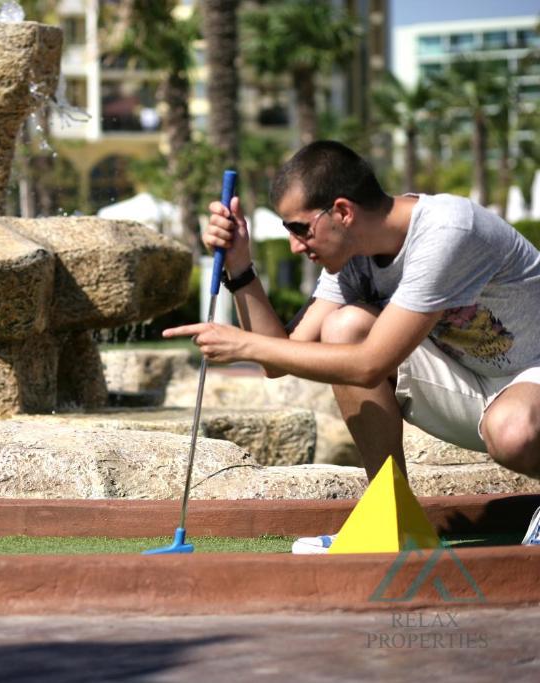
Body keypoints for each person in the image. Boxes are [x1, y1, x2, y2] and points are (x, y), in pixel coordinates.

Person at [163, 140, 540, 553]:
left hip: (530, 382)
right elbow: (280, 357)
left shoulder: (449, 230)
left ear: (342, 211)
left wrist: (244, 344)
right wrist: (239, 266)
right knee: (345, 328)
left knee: (513, 431)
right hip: (478, 387)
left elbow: (368, 365)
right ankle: (393, 517)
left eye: (300, 228)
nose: (295, 245)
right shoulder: (354, 255)